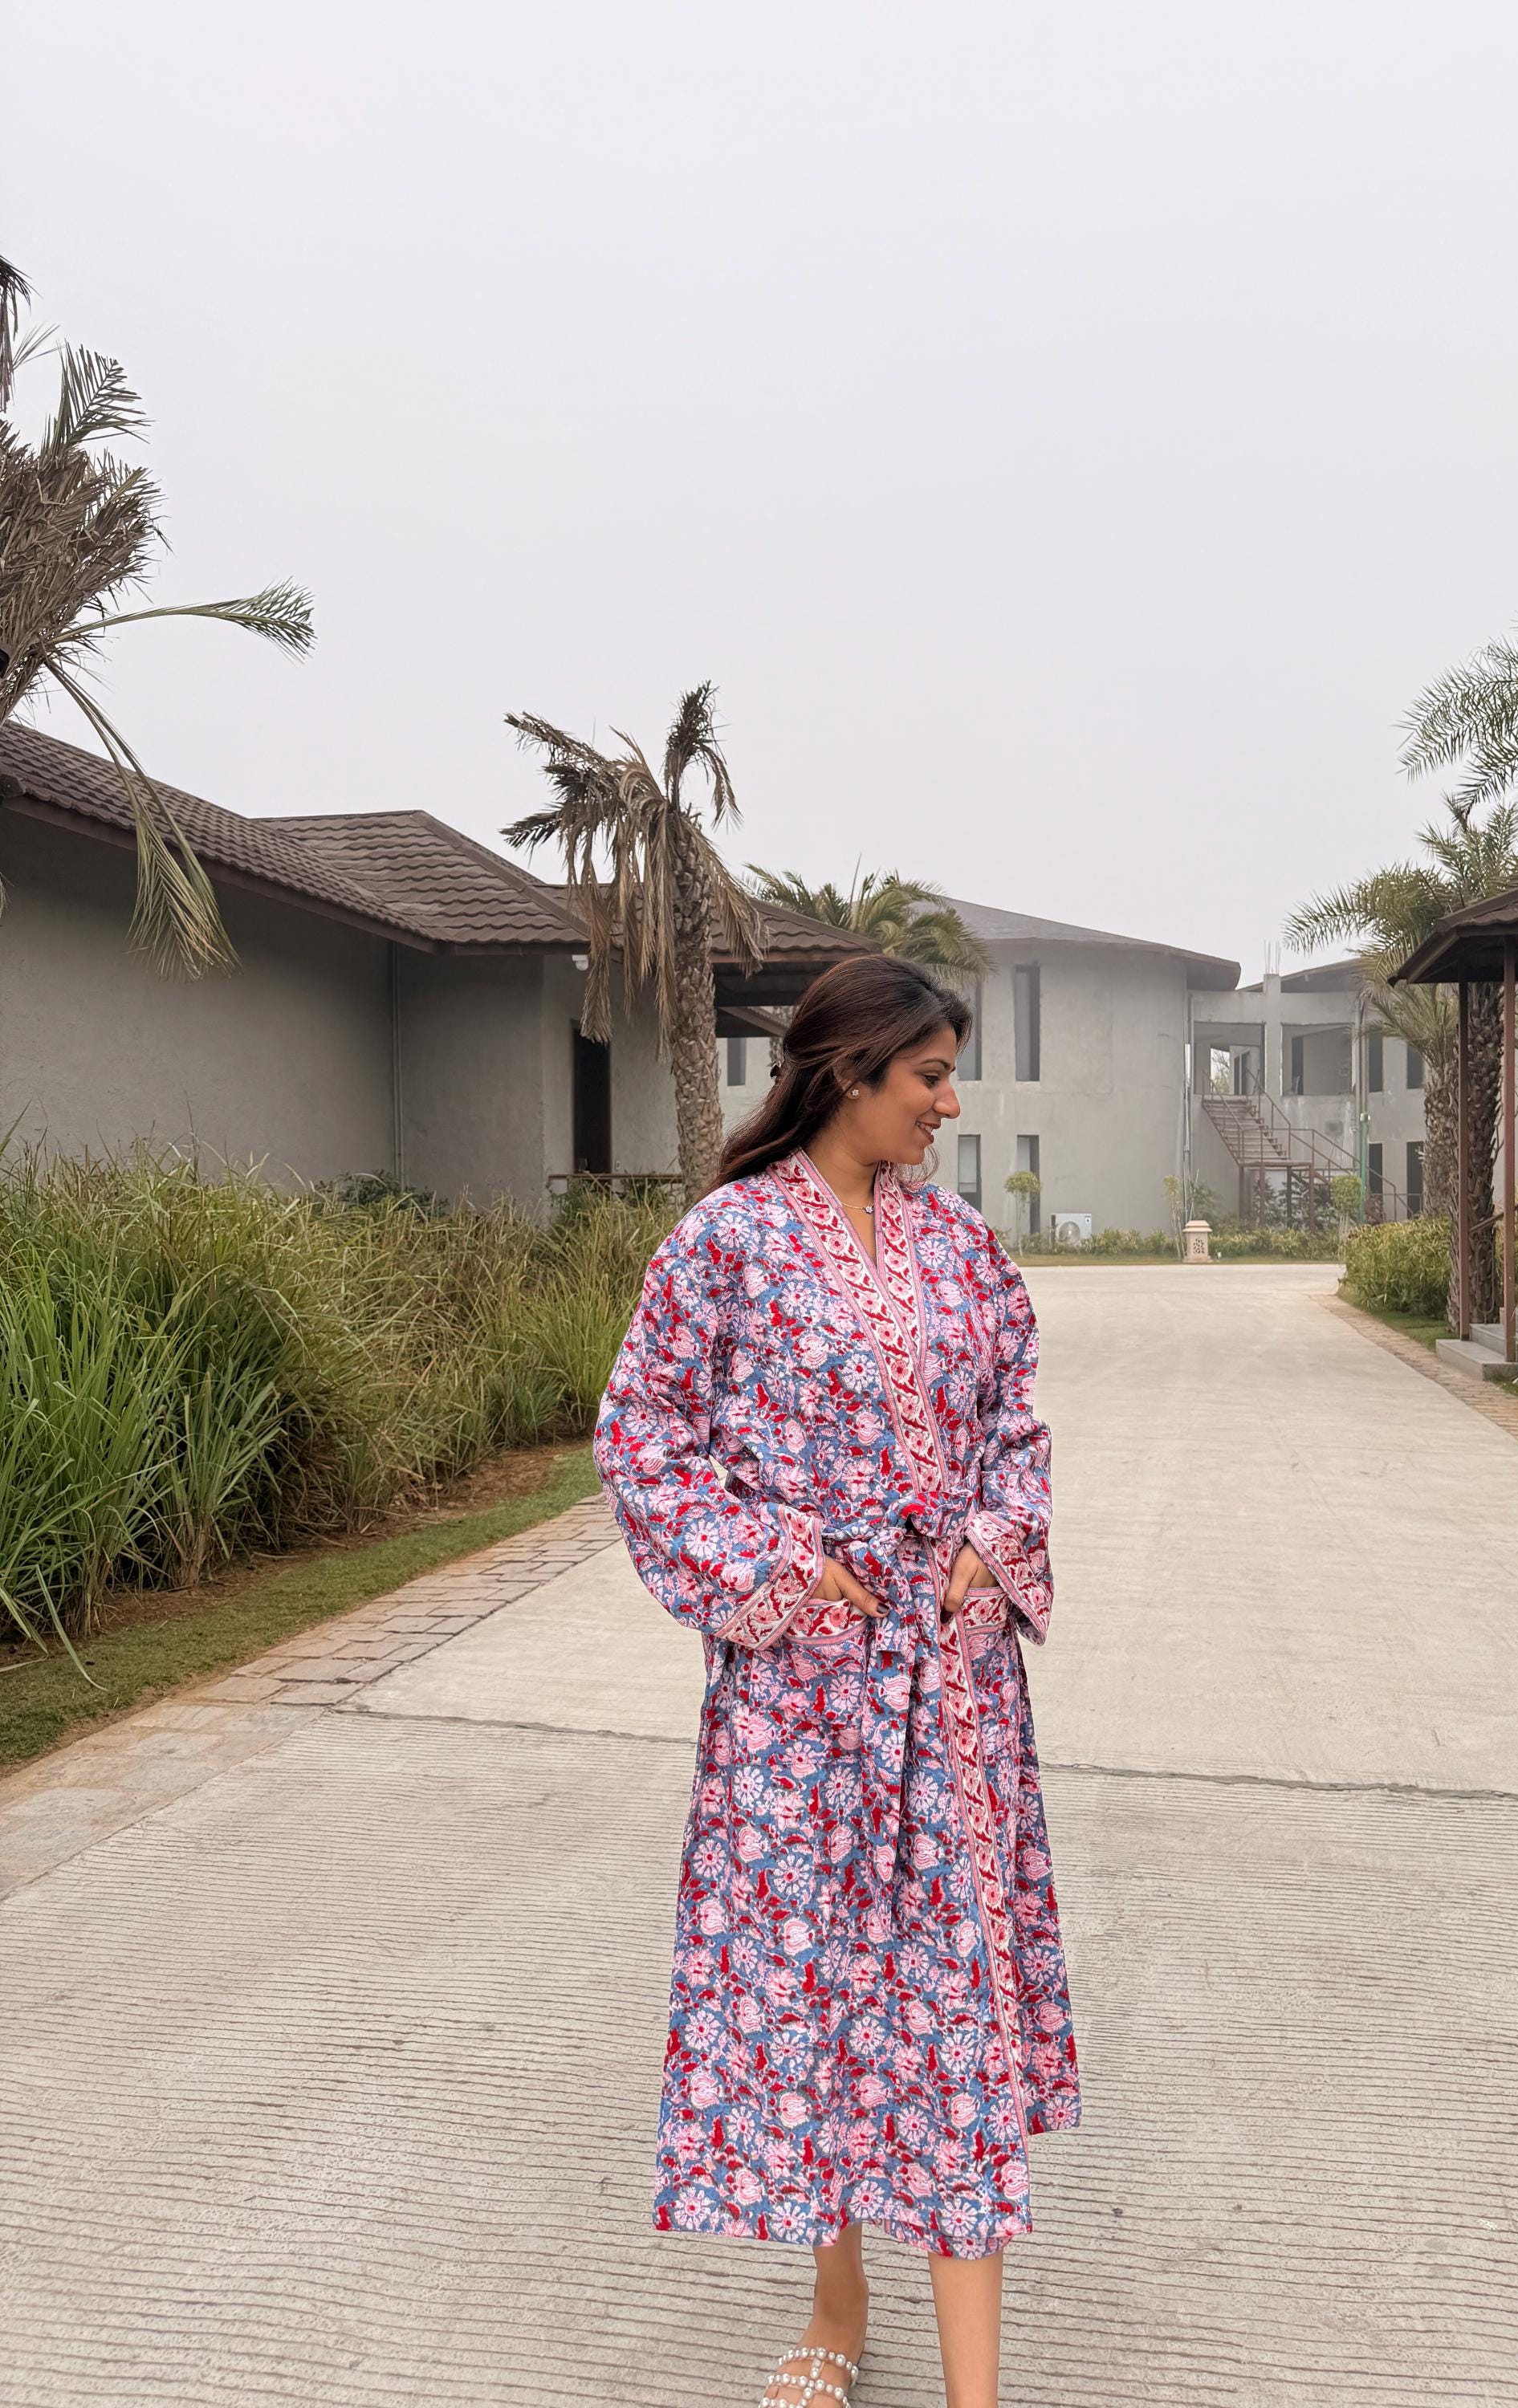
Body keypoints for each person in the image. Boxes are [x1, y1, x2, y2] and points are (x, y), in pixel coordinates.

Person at [592, 952, 1080, 2408]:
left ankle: (975, 2393)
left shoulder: (962, 1249)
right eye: (928, 1076)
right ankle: (835, 2302)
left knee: (951, 2020)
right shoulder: (724, 1243)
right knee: (825, 2004)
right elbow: (642, 1439)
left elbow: (1017, 1426)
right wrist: (783, 1564)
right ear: (848, 1071)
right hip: (800, 1708)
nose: (947, 1104)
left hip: (954, 1699)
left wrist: (990, 1542)